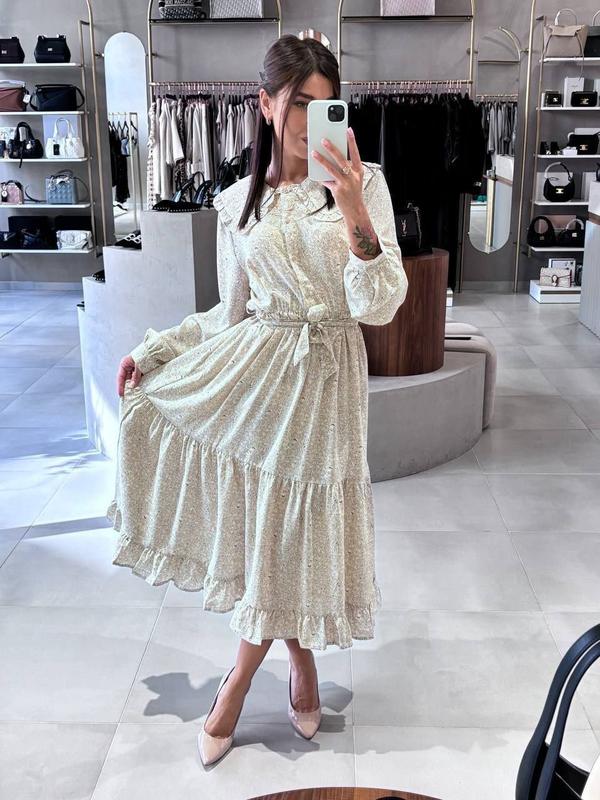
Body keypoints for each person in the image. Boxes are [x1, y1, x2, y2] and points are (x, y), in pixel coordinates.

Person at [106, 33, 408, 767]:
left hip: (331, 379)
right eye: (298, 102)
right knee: (276, 531)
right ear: (265, 104)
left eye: (325, 104)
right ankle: (282, 667)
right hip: (262, 377)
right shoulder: (237, 203)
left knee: (295, 528)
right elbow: (229, 313)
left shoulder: (364, 184)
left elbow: (380, 305)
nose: (310, 119)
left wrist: (352, 210)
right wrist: (157, 350)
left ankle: (241, 682)